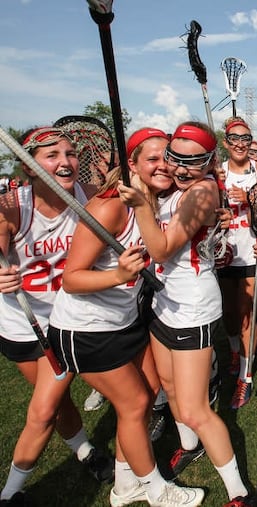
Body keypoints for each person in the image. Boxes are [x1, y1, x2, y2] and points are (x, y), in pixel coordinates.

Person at [47, 127, 205, 506]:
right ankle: (156, 489)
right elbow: (71, 279)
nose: (163, 165)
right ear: (131, 164)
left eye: (167, 157)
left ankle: (123, 483)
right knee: (134, 404)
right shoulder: (110, 206)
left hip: (124, 321)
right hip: (85, 328)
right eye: (151, 159)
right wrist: (118, 275)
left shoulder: (154, 202)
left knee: (148, 394)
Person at [118, 121, 253, 507]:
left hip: (191, 307)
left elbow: (161, 249)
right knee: (168, 384)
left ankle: (238, 492)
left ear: (212, 162)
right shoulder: (177, 190)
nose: (179, 167)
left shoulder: (203, 190)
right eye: (175, 157)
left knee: (195, 407)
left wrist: (142, 206)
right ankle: (190, 446)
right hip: (165, 301)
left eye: (193, 161)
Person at [0, 127, 114, 506]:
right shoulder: (14, 206)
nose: (64, 161)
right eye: (52, 155)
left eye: (70, 153)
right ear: (29, 167)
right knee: (54, 403)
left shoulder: (86, 196)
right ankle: (84, 452)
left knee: (46, 407)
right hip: (20, 322)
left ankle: (11, 492)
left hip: (64, 322)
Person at [219, 118, 257, 410]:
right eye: (234, 138)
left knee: (247, 314)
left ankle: (245, 376)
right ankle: (235, 351)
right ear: (225, 142)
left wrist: (250, 199)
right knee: (229, 313)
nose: (239, 143)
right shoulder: (216, 172)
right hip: (222, 252)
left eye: (245, 138)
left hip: (249, 252)